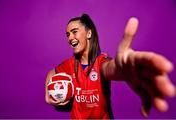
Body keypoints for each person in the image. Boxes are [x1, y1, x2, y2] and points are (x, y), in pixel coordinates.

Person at [45, 14, 175, 119]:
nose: (70, 38)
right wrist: (48, 94)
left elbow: (110, 69)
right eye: (67, 35)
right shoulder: (69, 64)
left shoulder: (102, 61)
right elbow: (52, 72)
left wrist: (123, 68)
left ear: (89, 34)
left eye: (74, 32)